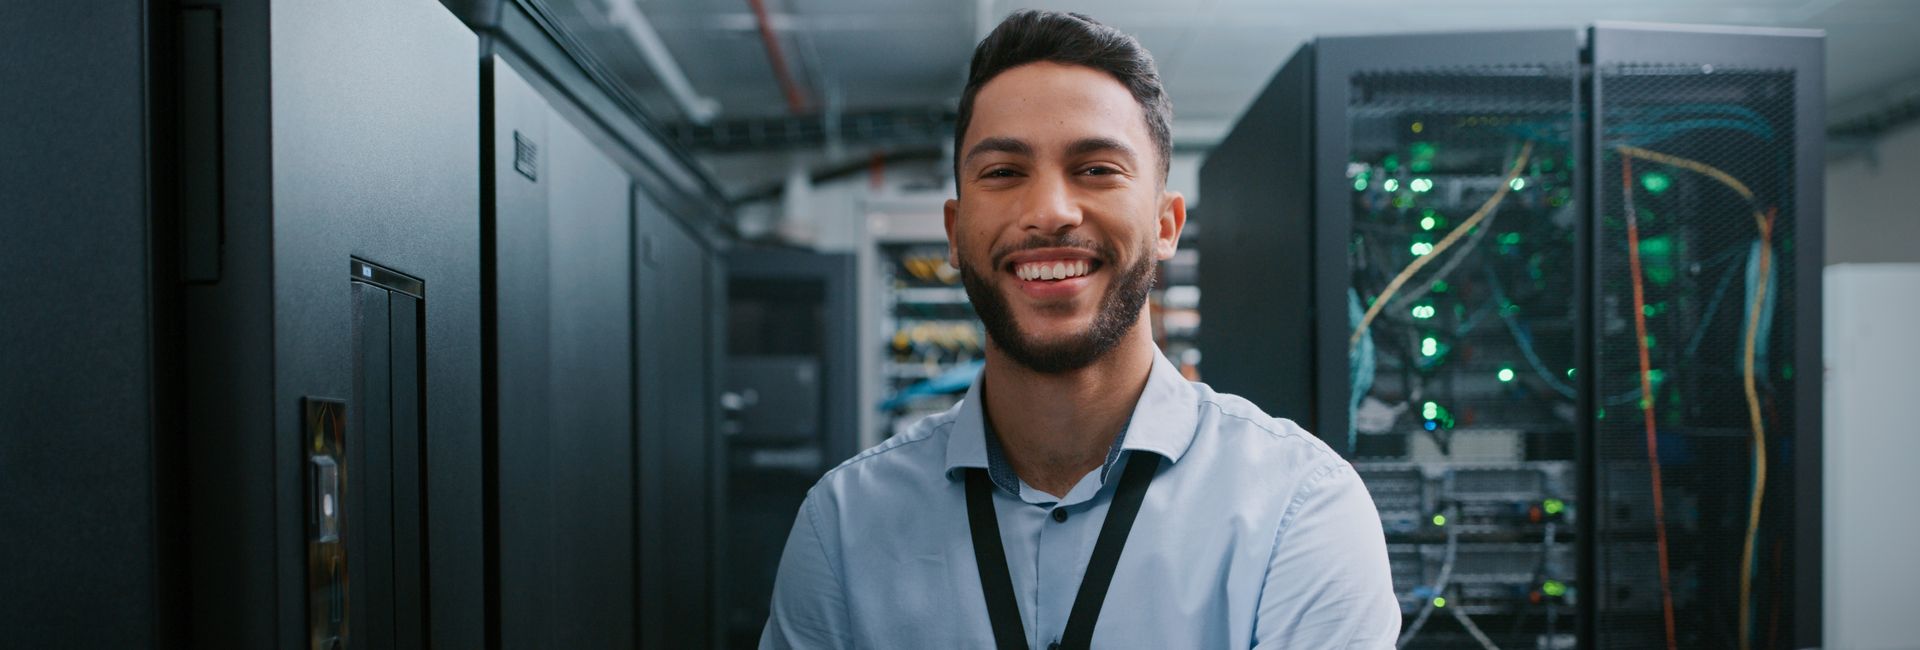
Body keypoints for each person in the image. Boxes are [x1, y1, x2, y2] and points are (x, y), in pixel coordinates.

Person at [761, 10, 1399, 649]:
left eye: (1096, 168)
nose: (1049, 212)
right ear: (955, 233)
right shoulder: (844, 525)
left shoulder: (1300, 509)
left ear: (1165, 225)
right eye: (1004, 172)